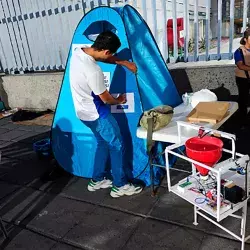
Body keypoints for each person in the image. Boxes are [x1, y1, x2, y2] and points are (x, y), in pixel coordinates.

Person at [69, 31, 143, 198]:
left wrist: (123, 62)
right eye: (111, 54)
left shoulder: (80, 52)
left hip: (82, 113)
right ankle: (120, 185)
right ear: (106, 51)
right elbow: (106, 99)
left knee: (102, 143)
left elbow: (103, 56)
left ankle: (97, 180)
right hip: (98, 115)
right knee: (117, 146)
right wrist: (120, 100)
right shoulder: (93, 71)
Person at [234, 28, 250, 127]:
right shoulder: (239, 51)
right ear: (245, 39)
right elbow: (240, 65)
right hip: (242, 79)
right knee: (243, 99)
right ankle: (242, 121)